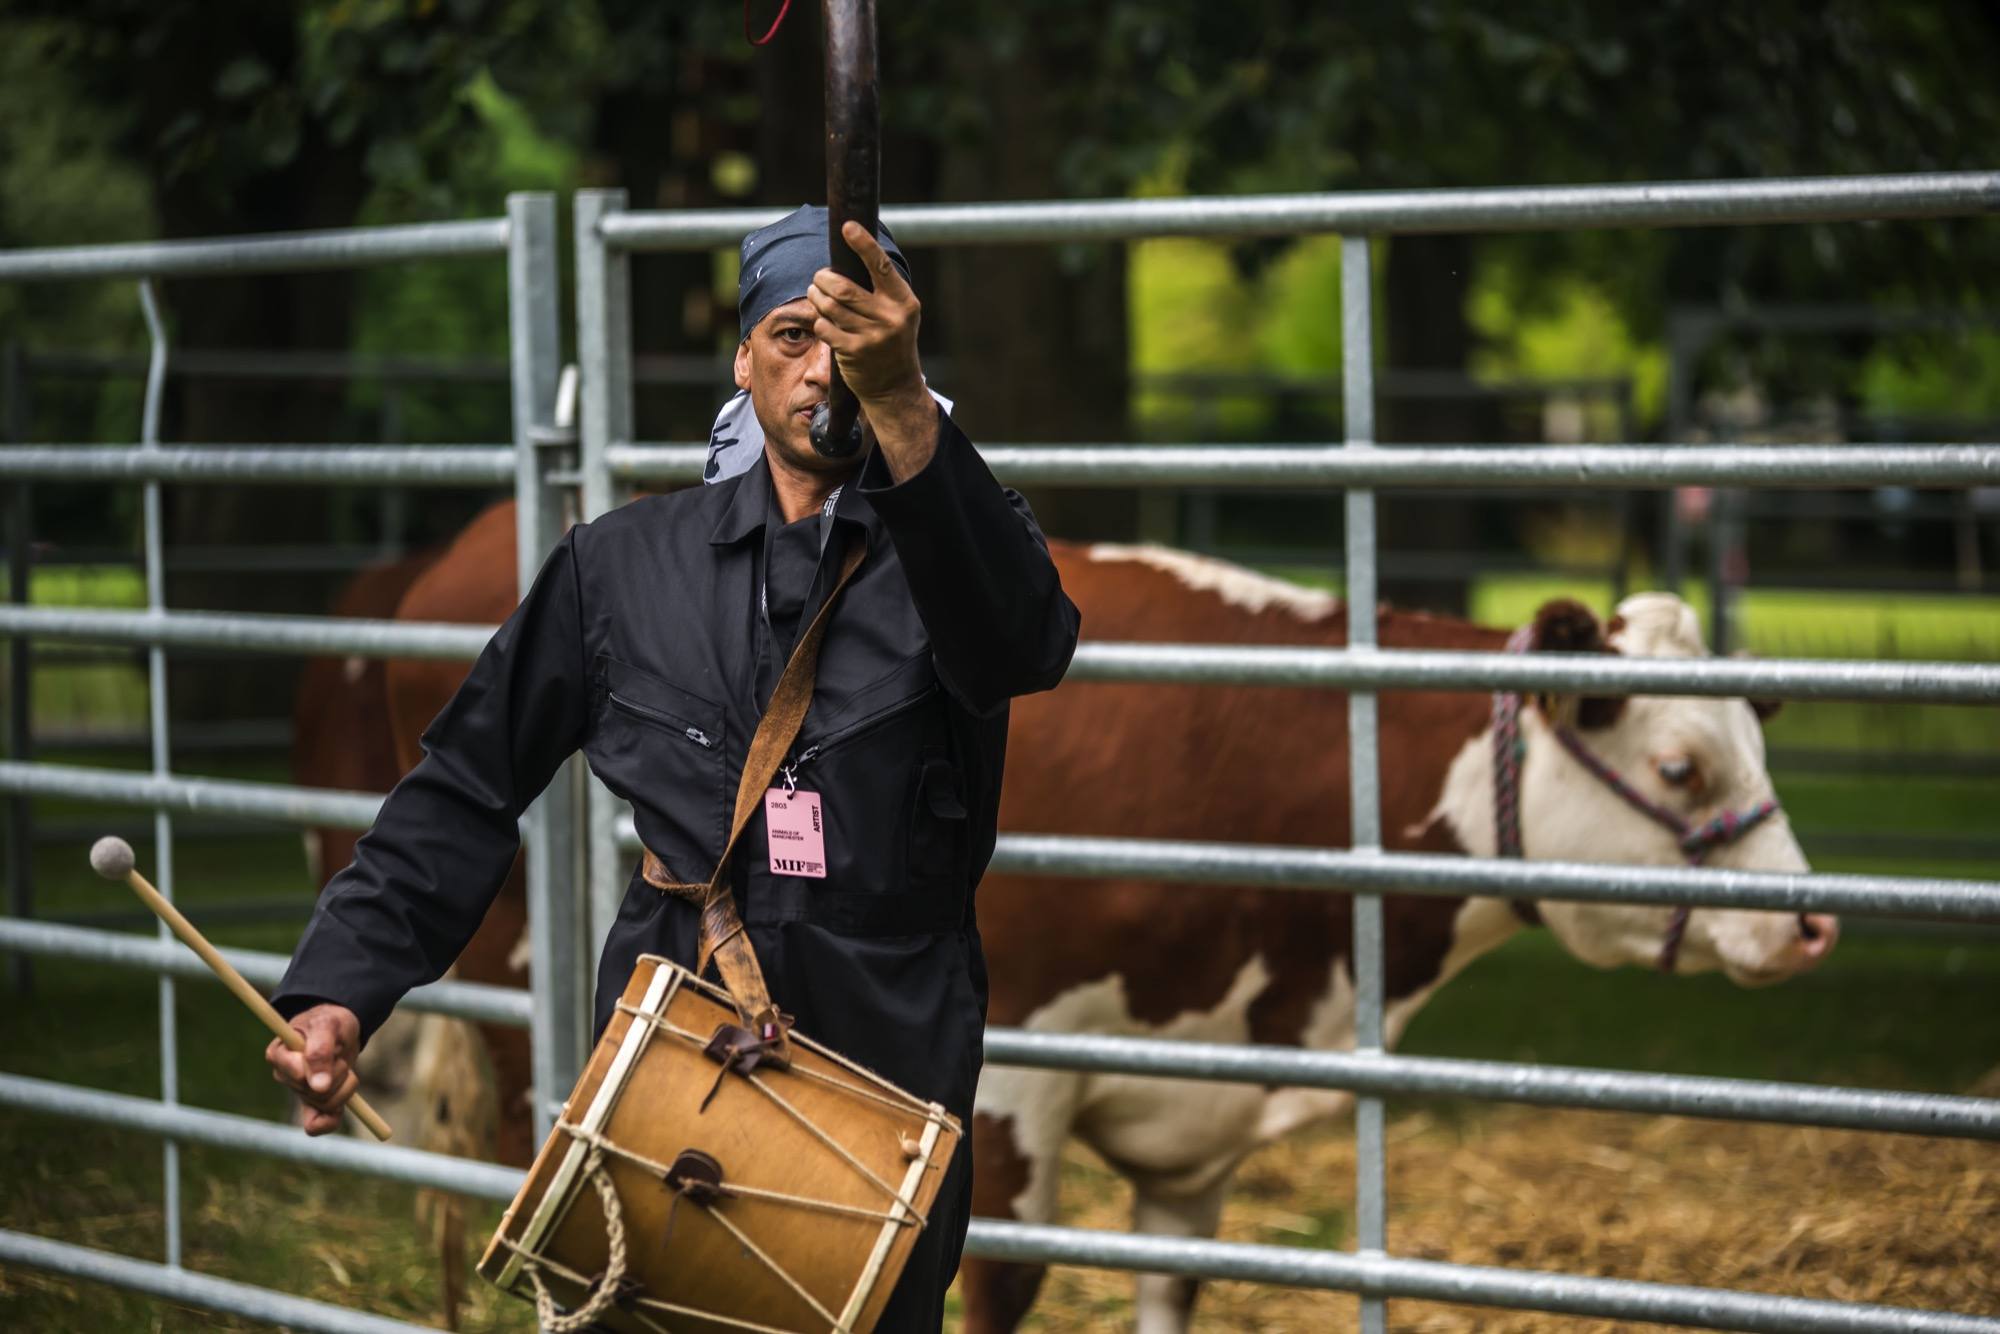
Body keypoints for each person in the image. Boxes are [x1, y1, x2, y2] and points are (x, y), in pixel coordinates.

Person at [265, 204, 1081, 1329]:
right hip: (675, 1030)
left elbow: (1024, 644)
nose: (822, 369)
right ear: (742, 357)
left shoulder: (960, 552)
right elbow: (466, 782)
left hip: (886, 1044)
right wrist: (336, 991)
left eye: (854, 341)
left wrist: (897, 400)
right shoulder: (619, 565)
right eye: (793, 334)